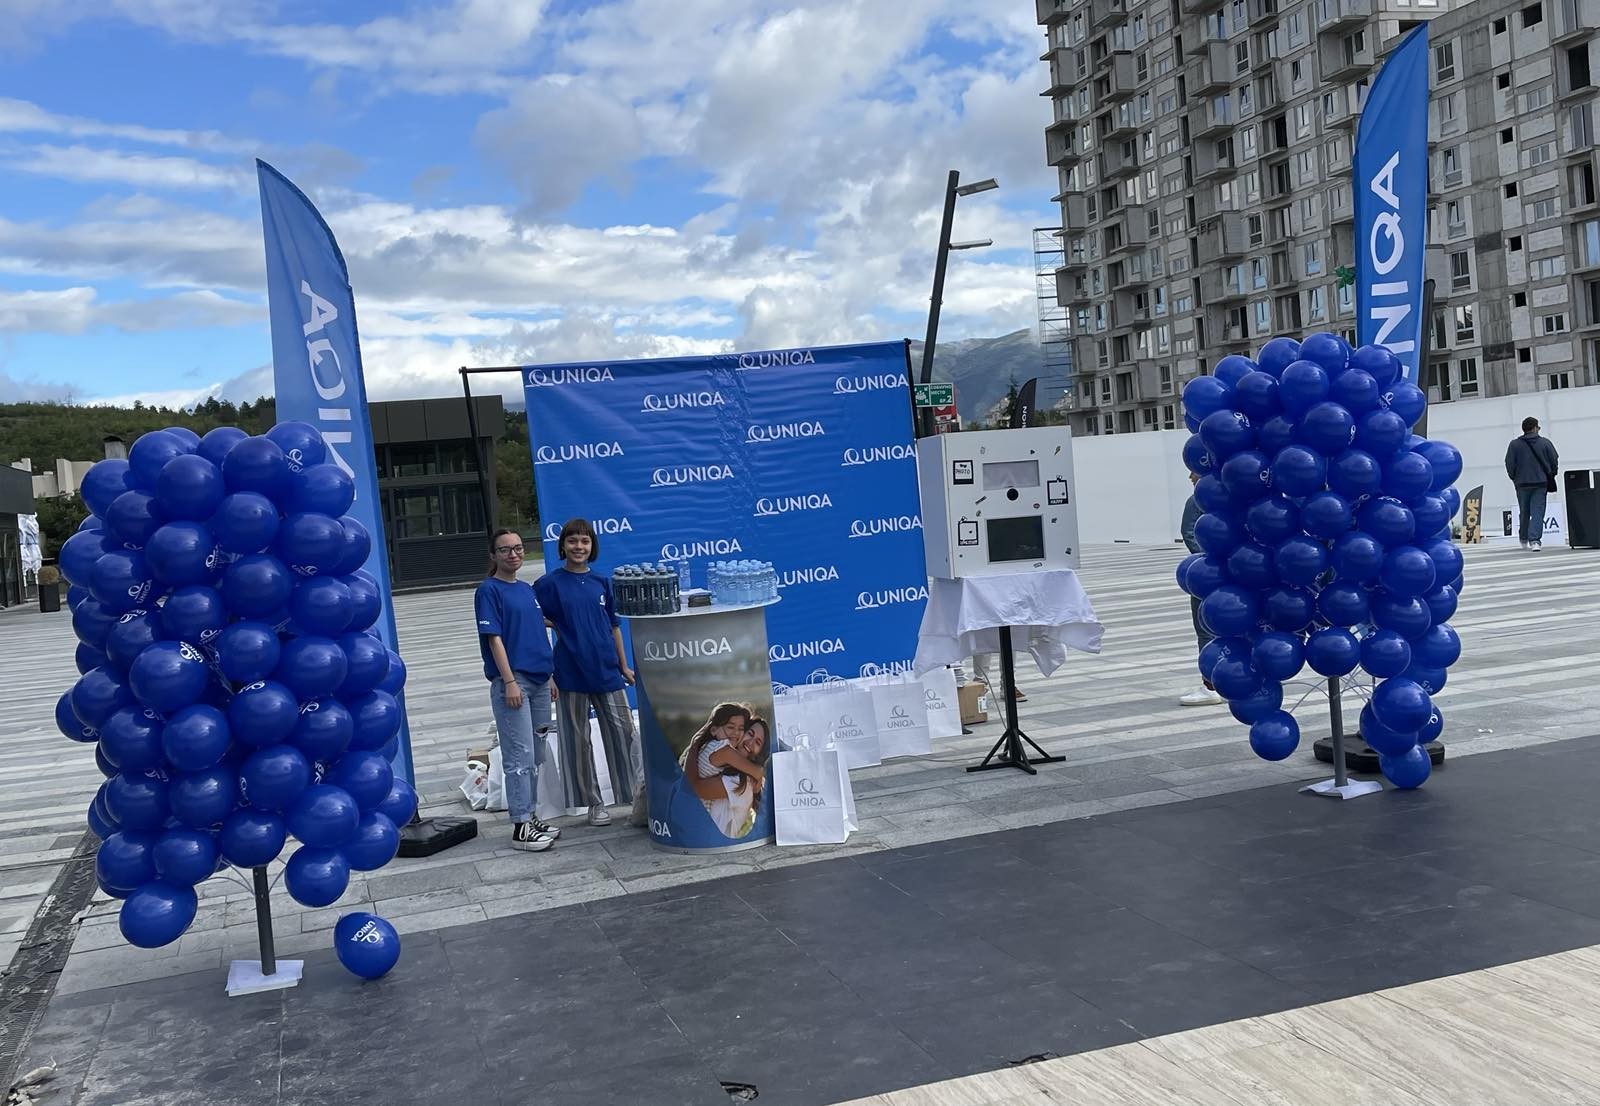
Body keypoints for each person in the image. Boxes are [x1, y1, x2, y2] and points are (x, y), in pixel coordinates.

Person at [534, 518, 647, 828]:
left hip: (607, 670)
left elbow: (614, 627)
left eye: (584, 541)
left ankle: (636, 797)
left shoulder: (602, 582)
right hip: (570, 672)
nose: (578, 547)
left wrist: (623, 665)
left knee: (626, 735)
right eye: (572, 541)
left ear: (592, 546)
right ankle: (594, 803)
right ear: (562, 545)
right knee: (577, 741)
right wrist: (550, 669)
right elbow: (531, 620)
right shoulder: (549, 584)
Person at [475, 529, 562, 852]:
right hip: (514, 683)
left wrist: (549, 677)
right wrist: (509, 680)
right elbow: (494, 639)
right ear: (493, 555)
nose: (513, 554)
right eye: (505, 550)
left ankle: (531, 815)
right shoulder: (489, 590)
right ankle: (520, 826)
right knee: (519, 756)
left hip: (539, 682)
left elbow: (537, 631)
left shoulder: (526, 590)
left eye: (518, 548)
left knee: (536, 755)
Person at [679, 703, 765, 839]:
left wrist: (694, 744)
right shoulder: (722, 749)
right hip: (693, 820)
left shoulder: (737, 775)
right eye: (750, 733)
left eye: (740, 729)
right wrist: (758, 774)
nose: (736, 733)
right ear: (713, 730)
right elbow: (757, 771)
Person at [1179, 471, 1223, 706]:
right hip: (1233, 572)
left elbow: (1188, 534)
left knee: (1205, 629)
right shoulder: (1233, 497)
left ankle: (1211, 686)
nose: (1190, 476)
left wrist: (1210, 562)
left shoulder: (1196, 500)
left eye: (1194, 471)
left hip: (1206, 576)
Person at [1505, 416, 1559, 552]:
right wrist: (1552, 473)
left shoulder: (1514, 445)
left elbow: (1509, 463)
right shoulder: (1545, 443)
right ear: (1535, 428)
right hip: (1540, 483)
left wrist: (1514, 477)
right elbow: (1554, 459)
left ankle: (1523, 538)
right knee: (1537, 512)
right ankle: (1535, 541)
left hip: (1522, 484)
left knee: (1524, 511)